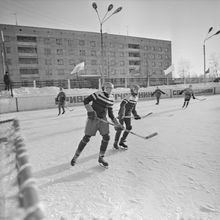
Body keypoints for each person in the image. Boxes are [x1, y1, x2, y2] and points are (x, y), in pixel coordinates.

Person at [70, 82, 122, 168]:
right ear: (104, 88)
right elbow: (86, 101)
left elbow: (110, 114)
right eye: (108, 88)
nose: (110, 90)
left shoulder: (111, 98)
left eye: (111, 88)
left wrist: (117, 123)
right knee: (86, 138)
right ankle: (76, 156)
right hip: (93, 119)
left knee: (106, 137)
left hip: (103, 120)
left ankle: (101, 158)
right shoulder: (98, 94)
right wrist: (90, 111)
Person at [113, 84, 141, 150]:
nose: (136, 91)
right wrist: (121, 114)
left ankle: (121, 142)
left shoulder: (136, 98)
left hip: (127, 114)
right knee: (120, 128)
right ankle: (115, 143)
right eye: (135, 89)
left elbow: (133, 109)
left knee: (129, 127)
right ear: (132, 90)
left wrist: (136, 115)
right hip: (122, 113)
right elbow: (122, 104)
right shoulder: (129, 96)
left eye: (137, 89)